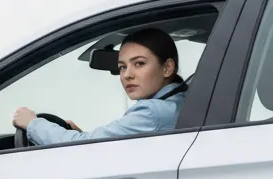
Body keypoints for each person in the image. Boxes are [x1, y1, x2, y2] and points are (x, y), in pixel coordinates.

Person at [12, 27, 187, 145]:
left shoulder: (152, 113)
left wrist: (32, 124)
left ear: (167, 68)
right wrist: (85, 137)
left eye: (139, 63)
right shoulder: (179, 101)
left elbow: (83, 146)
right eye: (122, 67)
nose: (127, 75)